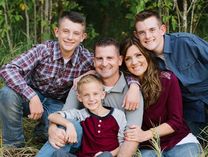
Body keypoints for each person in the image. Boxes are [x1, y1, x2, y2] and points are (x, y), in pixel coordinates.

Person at [0, 11, 139, 148]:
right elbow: (8, 69)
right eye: (66, 31)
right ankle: (14, 145)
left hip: (56, 104)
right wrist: (32, 97)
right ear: (57, 32)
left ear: (83, 37)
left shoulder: (86, 59)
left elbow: (113, 69)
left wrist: (134, 86)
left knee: (60, 127)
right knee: (7, 93)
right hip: (30, 96)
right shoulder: (43, 50)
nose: (70, 37)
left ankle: (41, 133)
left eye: (76, 33)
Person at [133, 10, 208, 156]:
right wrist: (133, 86)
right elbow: (124, 69)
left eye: (152, 30)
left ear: (162, 29)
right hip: (191, 104)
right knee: (192, 141)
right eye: (142, 32)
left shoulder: (185, 41)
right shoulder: (144, 59)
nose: (148, 36)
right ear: (137, 35)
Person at [47, 38, 144, 157]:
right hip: (80, 145)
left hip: (111, 153)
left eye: (109, 58)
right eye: (99, 58)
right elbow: (63, 116)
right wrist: (51, 128)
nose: (104, 63)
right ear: (93, 61)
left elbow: (131, 138)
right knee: (65, 128)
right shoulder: (82, 85)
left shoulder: (132, 92)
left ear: (119, 60)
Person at [120, 37, 202, 157]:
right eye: (128, 58)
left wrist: (145, 134)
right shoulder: (125, 86)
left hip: (179, 141)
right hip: (147, 147)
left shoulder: (167, 79)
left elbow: (175, 122)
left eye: (138, 55)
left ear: (147, 55)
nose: (134, 62)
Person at [36, 74, 127, 157]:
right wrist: (69, 125)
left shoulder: (118, 115)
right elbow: (52, 116)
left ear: (102, 95)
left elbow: (122, 144)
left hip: (106, 155)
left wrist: (111, 154)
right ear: (80, 97)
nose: (91, 99)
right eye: (86, 95)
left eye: (95, 94)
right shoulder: (80, 114)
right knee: (59, 154)